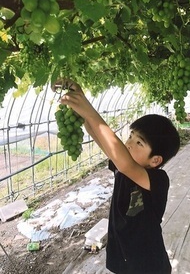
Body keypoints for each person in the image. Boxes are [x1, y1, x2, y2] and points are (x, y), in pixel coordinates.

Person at [54, 79, 180, 274]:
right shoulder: (122, 167)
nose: (128, 143)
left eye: (139, 143)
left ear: (155, 160)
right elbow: (97, 134)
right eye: (131, 136)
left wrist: (88, 110)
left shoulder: (158, 180)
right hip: (122, 258)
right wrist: (80, 103)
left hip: (149, 265)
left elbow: (126, 164)